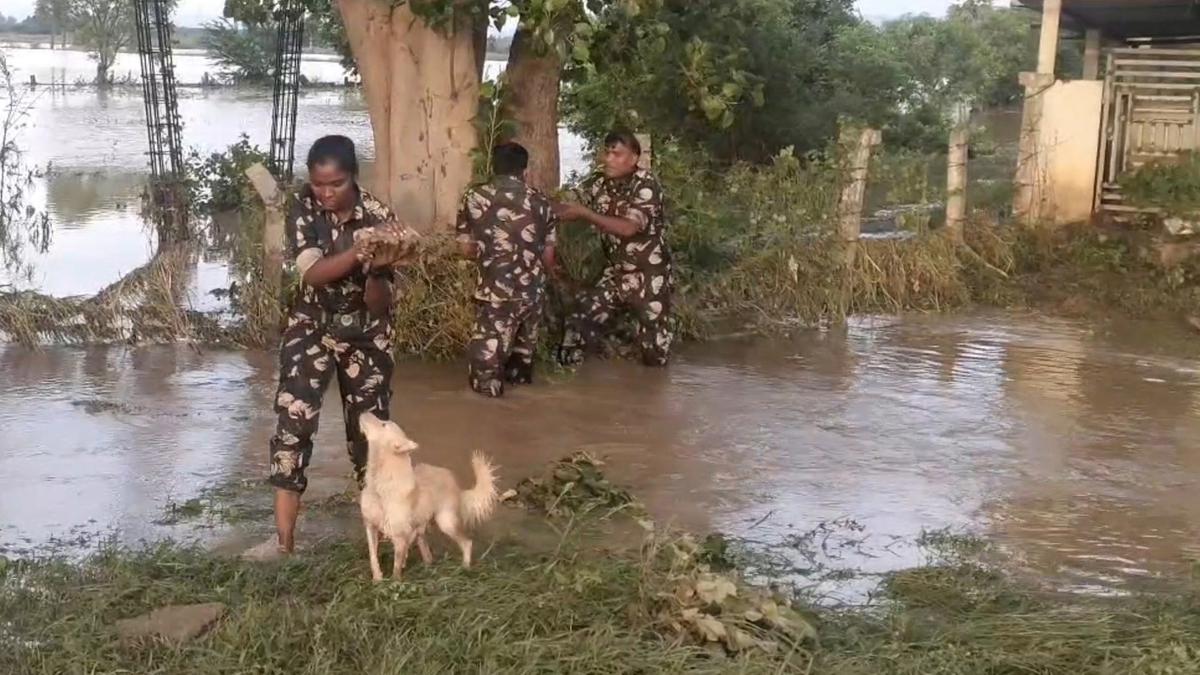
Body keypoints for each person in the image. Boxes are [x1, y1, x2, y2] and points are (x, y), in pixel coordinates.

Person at [265, 135, 412, 555]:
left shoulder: (381, 216)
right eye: (319, 184)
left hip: (367, 332)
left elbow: (379, 303)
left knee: (372, 438)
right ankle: (285, 546)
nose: (326, 194)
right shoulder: (304, 207)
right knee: (291, 430)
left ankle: (385, 545)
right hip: (310, 326)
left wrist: (377, 270)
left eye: (337, 184)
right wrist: (359, 249)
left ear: (354, 178)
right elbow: (311, 274)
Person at [554, 131, 673, 367]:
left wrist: (585, 213)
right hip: (617, 274)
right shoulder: (599, 184)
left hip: (649, 277)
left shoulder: (646, 184)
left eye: (616, 154)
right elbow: (568, 206)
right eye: (607, 153)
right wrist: (524, 203)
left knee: (655, 357)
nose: (608, 159)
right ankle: (571, 382)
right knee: (580, 318)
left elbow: (629, 228)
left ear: (633, 159)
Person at [456, 142, 559, 397]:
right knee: (521, 373)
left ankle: (488, 428)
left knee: (485, 381)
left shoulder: (474, 197)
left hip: (495, 296)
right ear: (524, 169)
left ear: (493, 167)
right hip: (531, 297)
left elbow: (465, 249)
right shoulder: (541, 201)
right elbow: (548, 256)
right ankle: (519, 427)